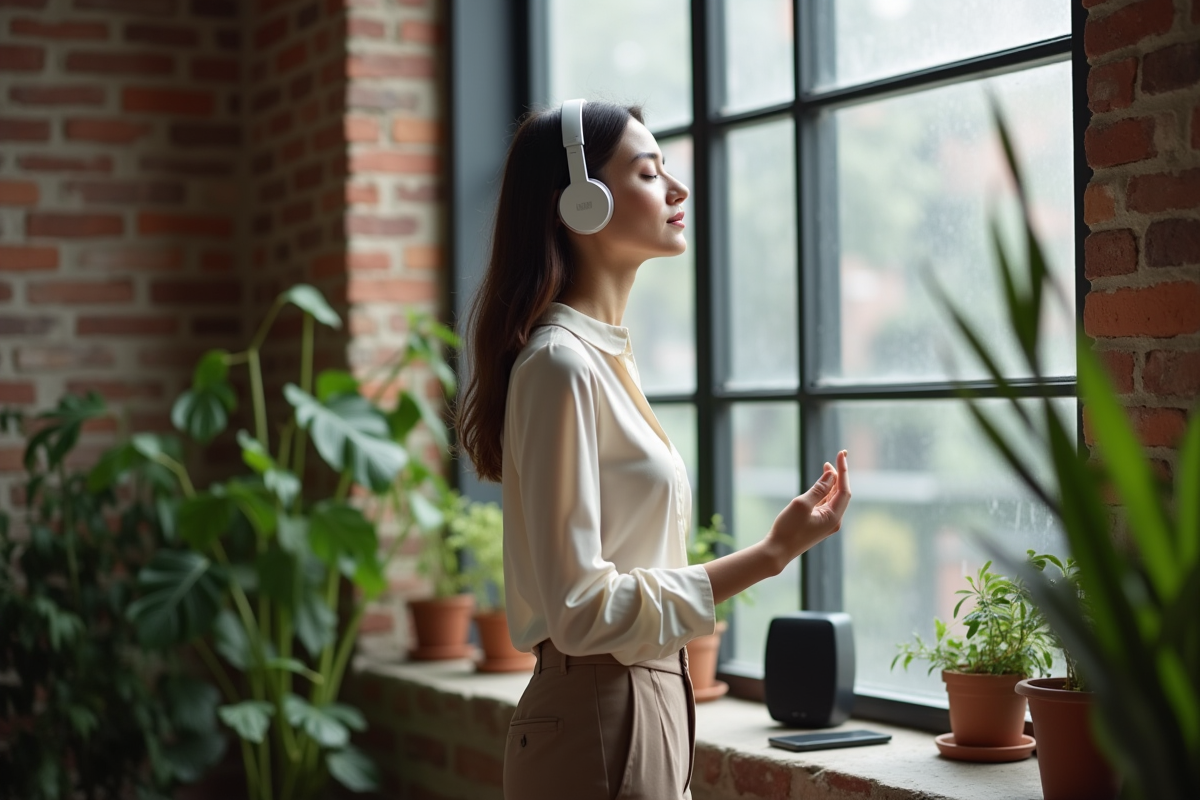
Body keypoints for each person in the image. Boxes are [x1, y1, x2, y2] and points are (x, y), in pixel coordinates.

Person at [456, 99, 851, 800]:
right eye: (647, 172)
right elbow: (581, 609)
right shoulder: (561, 365)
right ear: (580, 202)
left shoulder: (601, 359)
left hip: (647, 700)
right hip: (599, 715)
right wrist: (768, 555)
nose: (678, 189)